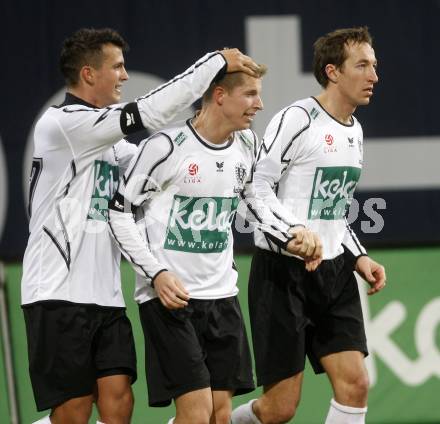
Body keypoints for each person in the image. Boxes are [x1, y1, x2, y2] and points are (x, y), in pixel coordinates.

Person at [21, 27, 262, 424]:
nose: (125, 76)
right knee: (74, 413)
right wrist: (215, 63)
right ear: (88, 74)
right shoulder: (63, 124)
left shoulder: (108, 142)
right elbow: (148, 113)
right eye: (116, 66)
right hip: (56, 290)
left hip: (106, 293)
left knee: (119, 406)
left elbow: (161, 165)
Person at [107, 65, 322, 424]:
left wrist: (292, 235)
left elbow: (255, 201)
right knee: (196, 413)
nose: (260, 103)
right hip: (170, 300)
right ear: (220, 96)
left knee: (219, 416)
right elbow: (119, 213)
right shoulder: (165, 147)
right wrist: (156, 274)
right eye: (250, 94)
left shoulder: (247, 143)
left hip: (222, 296)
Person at [231, 27, 386, 424]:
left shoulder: (356, 131)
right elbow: (256, 186)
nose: (374, 76)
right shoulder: (297, 119)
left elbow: (333, 210)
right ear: (333, 72)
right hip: (283, 275)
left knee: (355, 384)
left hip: (334, 275)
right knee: (280, 409)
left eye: (374, 66)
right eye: (363, 65)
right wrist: (291, 236)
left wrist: (358, 257)